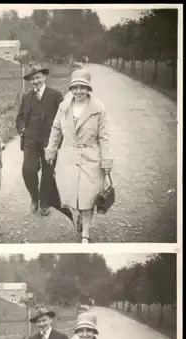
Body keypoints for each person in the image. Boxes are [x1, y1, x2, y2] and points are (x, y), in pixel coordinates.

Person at [45, 69, 113, 242]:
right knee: (69, 194)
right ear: (71, 89)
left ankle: (86, 235)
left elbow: (104, 136)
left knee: (88, 196)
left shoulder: (98, 109)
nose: (79, 92)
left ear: (88, 89)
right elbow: (56, 129)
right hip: (68, 156)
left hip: (90, 158)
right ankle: (77, 217)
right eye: (75, 88)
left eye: (83, 87)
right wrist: (51, 150)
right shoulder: (64, 107)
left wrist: (106, 160)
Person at [16, 63, 63, 216]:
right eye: (32, 79)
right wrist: (21, 128)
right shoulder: (26, 97)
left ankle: (44, 202)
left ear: (44, 77)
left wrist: (60, 140)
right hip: (30, 140)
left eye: (38, 77)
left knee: (48, 172)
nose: (35, 81)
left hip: (50, 142)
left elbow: (64, 119)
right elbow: (19, 118)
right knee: (28, 170)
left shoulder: (56, 96)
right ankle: (34, 198)